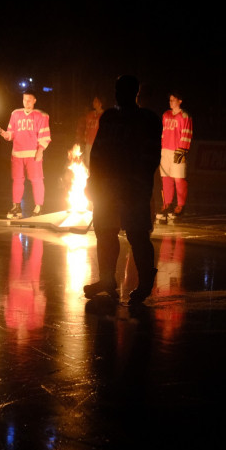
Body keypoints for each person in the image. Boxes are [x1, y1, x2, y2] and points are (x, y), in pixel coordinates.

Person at [83, 74, 162, 304]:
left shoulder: (147, 119)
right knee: (105, 231)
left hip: (133, 188)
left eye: (123, 90)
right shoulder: (109, 117)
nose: (118, 95)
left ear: (134, 93)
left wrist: (138, 184)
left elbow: (151, 156)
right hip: (107, 187)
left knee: (137, 233)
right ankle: (107, 279)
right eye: (117, 90)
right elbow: (98, 152)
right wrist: (92, 180)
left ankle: (145, 280)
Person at [0, 89, 51, 219]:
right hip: (17, 153)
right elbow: (11, 133)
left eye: (29, 100)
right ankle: (16, 206)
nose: (26, 102)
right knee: (17, 180)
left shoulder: (41, 116)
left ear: (34, 101)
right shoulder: (15, 114)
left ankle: (38, 207)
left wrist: (40, 151)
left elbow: (45, 136)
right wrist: (6, 135)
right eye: (24, 99)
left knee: (36, 180)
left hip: (33, 154)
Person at [156, 90, 193, 223]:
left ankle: (180, 206)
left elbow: (187, 133)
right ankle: (167, 204)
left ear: (180, 101)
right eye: (170, 100)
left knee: (179, 179)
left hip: (177, 151)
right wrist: (160, 147)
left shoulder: (185, 116)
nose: (170, 102)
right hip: (165, 150)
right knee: (166, 178)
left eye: (173, 100)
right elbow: (163, 133)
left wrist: (183, 149)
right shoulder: (165, 115)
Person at [83, 94, 104, 169]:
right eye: (93, 101)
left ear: (100, 103)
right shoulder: (90, 114)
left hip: (97, 143)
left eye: (96, 101)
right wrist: (85, 137)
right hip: (89, 142)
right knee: (87, 163)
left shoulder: (103, 115)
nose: (93, 103)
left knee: (96, 163)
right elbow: (87, 128)